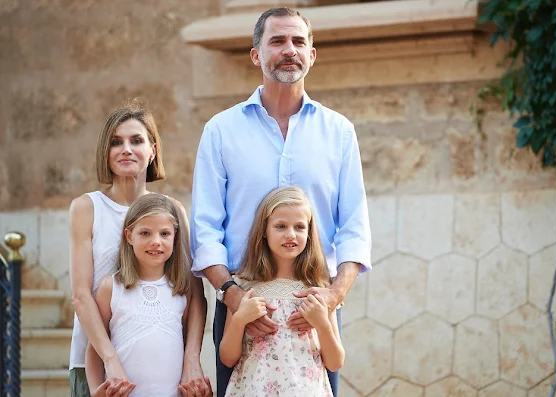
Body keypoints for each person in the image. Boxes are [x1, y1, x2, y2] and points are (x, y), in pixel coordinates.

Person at [190, 7, 371, 397]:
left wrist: (333, 296)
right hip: (240, 303)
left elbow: (355, 226)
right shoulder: (221, 131)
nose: (289, 50)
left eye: (298, 42)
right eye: (277, 41)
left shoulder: (339, 132)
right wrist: (233, 297)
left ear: (312, 54)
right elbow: (204, 229)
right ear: (256, 54)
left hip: (315, 306)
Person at [70, 101, 210, 397]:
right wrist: (111, 361)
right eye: (116, 142)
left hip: (162, 369)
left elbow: (193, 293)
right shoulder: (86, 208)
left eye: (136, 140)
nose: (126, 149)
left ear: (153, 150)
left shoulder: (172, 211)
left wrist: (192, 358)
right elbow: (81, 295)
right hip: (98, 362)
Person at [220, 187, 344, 397]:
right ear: (264, 232)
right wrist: (240, 320)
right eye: (280, 226)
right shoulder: (243, 287)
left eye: (299, 227)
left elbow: (335, 362)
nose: (290, 234)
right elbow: (227, 358)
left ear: (309, 232)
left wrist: (321, 323)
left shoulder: (319, 289)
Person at [86, 194, 210, 397]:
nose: (156, 242)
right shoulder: (111, 288)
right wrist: (95, 391)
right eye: (145, 233)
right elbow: (95, 349)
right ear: (129, 236)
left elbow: (187, 342)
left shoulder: (180, 290)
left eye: (164, 234)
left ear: (175, 237)